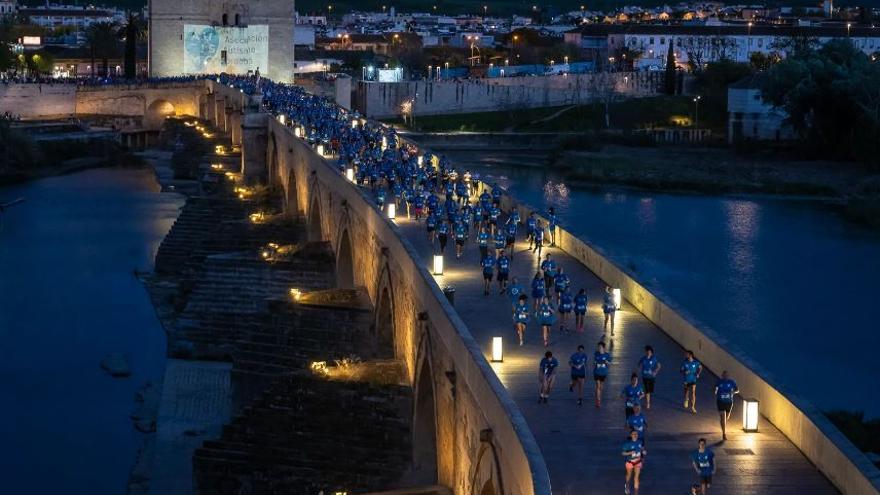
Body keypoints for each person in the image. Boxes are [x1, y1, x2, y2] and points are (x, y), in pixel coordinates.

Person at [715, 370, 739, 440]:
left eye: (726, 375)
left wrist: (733, 392)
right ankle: (724, 434)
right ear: (722, 375)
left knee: (727, 417)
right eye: (724, 375)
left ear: (728, 376)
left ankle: (723, 423)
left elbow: (737, 390)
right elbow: (715, 387)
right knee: (723, 417)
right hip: (720, 401)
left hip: (729, 402)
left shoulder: (732, 382)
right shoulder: (719, 381)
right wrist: (715, 390)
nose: (725, 376)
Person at [622, 428, 646, 495]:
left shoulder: (640, 442)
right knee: (629, 475)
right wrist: (630, 453)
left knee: (636, 477)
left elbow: (642, 448)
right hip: (630, 461)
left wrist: (643, 451)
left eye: (636, 434)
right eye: (633, 434)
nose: (635, 435)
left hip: (638, 461)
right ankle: (627, 485)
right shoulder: (627, 444)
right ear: (631, 435)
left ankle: (636, 493)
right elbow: (623, 453)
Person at [637, 346, 662, 410]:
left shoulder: (654, 359)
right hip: (645, 377)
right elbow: (638, 364)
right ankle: (648, 403)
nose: (648, 353)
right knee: (647, 390)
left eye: (649, 352)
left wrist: (655, 371)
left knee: (650, 390)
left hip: (652, 377)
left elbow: (659, 366)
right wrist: (638, 370)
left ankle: (649, 398)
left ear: (651, 353)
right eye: (647, 352)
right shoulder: (643, 358)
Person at [594, 341, 612, 407]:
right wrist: (595, 363)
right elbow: (594, 362)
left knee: (601, 387)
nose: (599, 348)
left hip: (603, 373)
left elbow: (610, 363)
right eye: (598, 347)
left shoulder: (607, 355)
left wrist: (606, 361)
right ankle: (598, 400)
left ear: (603, 348)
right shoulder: (596, 354)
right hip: (596, 372)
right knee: (598, 385)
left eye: (600, 347)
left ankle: (597, 394)